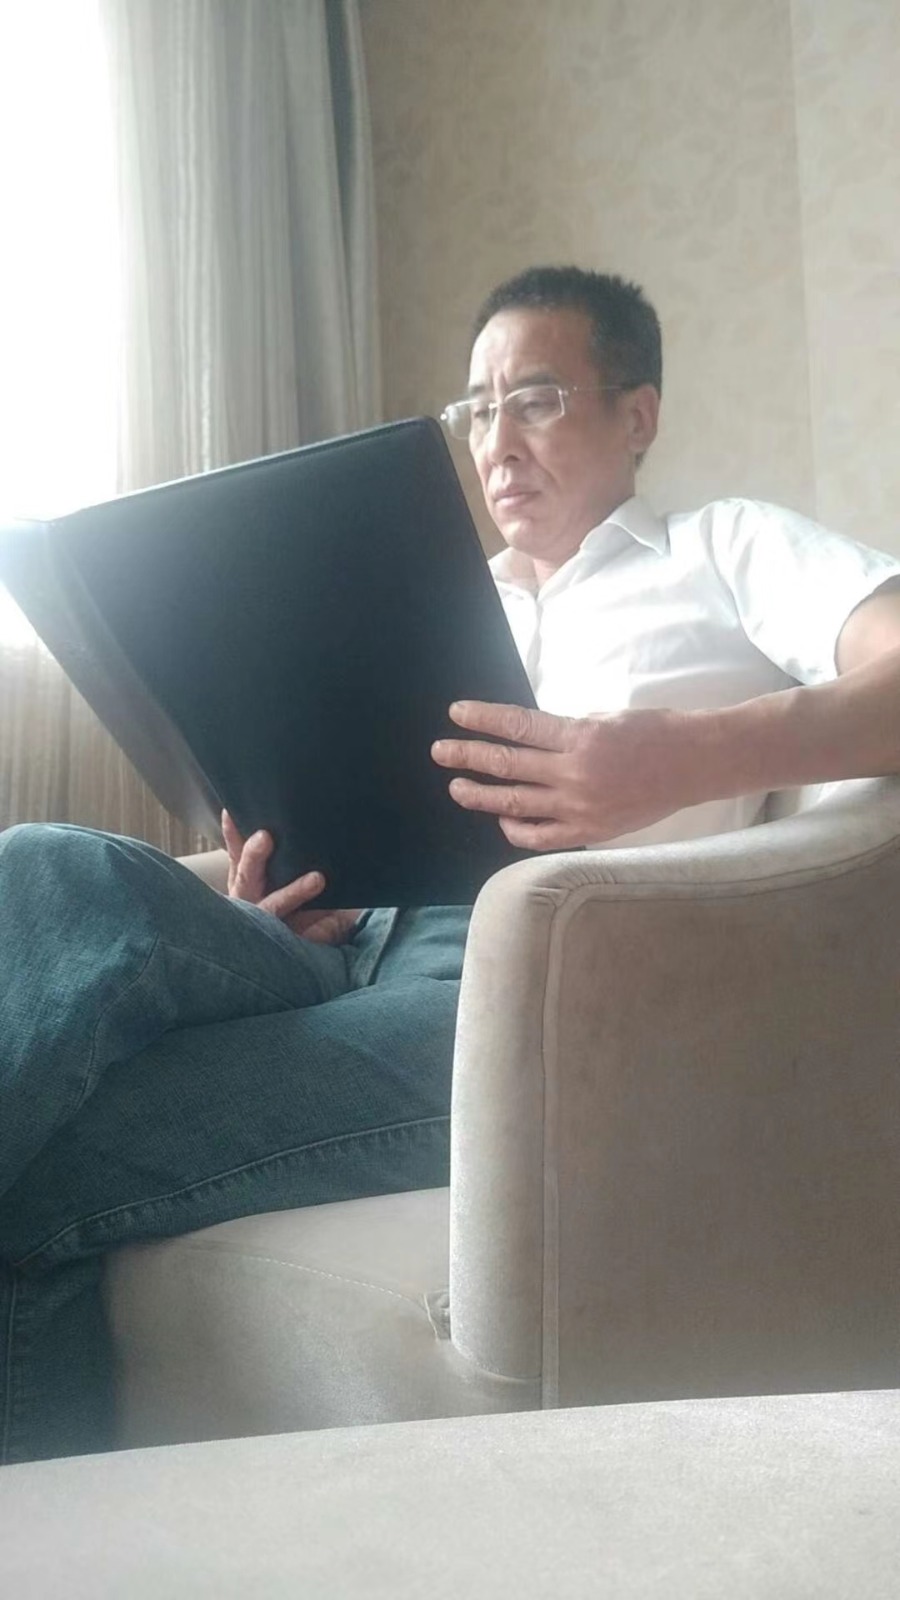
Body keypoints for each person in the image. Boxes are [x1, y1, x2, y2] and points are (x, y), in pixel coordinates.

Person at [1, 265, 899, 1465]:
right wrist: (290, 875)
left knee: (54, 1154)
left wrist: (671, 759)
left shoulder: (723, 547)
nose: (498, 441)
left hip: (534, 1003)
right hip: (341, 947)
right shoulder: (439, 599)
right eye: (478, 408)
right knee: (45, 869)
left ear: (636, 414)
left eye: (536, 398)